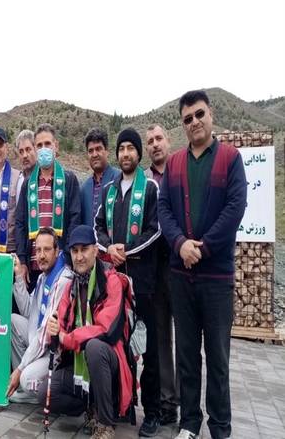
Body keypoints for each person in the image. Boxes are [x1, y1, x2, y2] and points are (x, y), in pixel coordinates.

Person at [158, 90, 247, 439]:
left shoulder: (230, 159)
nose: (194, 122)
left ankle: (220, 428)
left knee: (218, 357)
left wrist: (203, 248)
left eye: (199, 114)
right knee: (187, 356)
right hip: (181, 276)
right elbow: (164, 209)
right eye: (187, 118)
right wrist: (180, 244)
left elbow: (234, 209)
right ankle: (189, 424)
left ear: (211, 115)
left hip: (216, 278)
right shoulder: (175, 163)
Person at [94, 128, 161, 437]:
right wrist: (109, 247)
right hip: (115, 283)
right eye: (121, 148)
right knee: (117, 342)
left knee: (147, 347)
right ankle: (123, 406)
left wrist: (126, 250)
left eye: (130, 148)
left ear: (138, 153)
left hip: (143, 282)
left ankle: (153, 412)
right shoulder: (109, 190)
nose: (125, 154)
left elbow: (155, 229)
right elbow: (97, 227)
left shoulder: (149, 189)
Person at [41, 225, 134, 439]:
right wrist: (53, 330)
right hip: (79, 362)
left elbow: (107, 331)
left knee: (94, 347)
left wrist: (67, 337)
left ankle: (106, 424)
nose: (79, 256)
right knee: (46, 392)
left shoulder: (111, 281)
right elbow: (58, 327)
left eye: (84, 249)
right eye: (75, 251)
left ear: (95, 250)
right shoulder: (71, 285)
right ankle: (90, 407)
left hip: (110, 362)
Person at [8, 227, 72, 404]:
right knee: (13, 321)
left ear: (57, 251)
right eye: (38, 250)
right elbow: (28, 311)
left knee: (26, 378)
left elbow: (45, 334)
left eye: (47, 250)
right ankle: (24, 383)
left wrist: (20, 369)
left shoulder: (62, 280)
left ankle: (33, 387)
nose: (41, 255)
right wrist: (19, 277)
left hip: (54, 351)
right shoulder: (43, 276)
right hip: (39, 343)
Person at [16, 123, 81, 291]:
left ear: (55, 146)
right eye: (39, 145)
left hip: (61, 263)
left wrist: (67, 256)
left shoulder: (69, 180)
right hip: (33, 264)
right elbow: (20, 223)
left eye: (47, 144)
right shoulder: (27, 185)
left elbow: (75, 218)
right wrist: (22, 261)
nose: (43, 149)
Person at [145, 124, 179, 425]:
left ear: (168, 141)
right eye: (150, 141)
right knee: (160, 339)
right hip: (154, 269)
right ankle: (167, 403)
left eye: (159, 139)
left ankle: (188, 403)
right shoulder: (143, 182)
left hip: (181, 266)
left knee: (187, 339)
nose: (155, 144)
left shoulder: (181, 173)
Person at [80, 128, 120, 227]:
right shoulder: (84, 188)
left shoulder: (119, 179)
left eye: (98, 149)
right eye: (90, 151)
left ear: (107, 151)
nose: (94, 154)